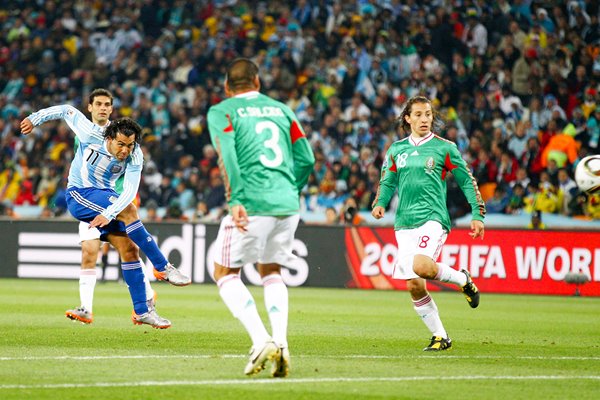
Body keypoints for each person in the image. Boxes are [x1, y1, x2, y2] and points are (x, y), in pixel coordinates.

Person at [21, 111, 191, 330]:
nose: (125, 150)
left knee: (129, 248)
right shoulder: (91, 133)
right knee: (116, 226)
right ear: (109, 139)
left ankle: (142, 311)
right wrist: (34, 119)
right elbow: (65, 110)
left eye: (129, 145)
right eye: (121, 144)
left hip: (105, 200)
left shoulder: (135, 154)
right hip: (79, 194)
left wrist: (110, 213)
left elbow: (129, 190)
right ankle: (162, 267)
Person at [207, 58, 315, 377]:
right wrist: (288, 188)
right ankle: (281, 343)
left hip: (252, 202)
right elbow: (307, 158)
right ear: (258, 82)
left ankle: (260, 341)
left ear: (227, 87)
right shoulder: (282, 109)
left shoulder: (222, 110)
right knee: (271, 270)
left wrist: (236, 198)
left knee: (224, 272)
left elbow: (228, 154)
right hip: (288, 203)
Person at [371, 95, 485, 351]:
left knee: (422, 266)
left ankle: (462, 280)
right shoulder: (396, 150)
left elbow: (467, 180)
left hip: (432, 218)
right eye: (419, 115)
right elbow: (387, 181)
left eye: (428, 114)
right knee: (414, 285)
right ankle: (440, 336)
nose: (424, 119)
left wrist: (477, 213)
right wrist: (380, 202)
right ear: (407, 118)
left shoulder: (444, 148)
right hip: (404, 222)